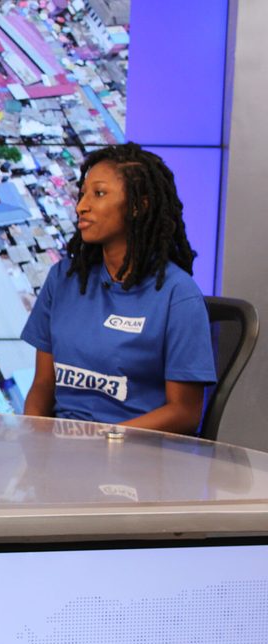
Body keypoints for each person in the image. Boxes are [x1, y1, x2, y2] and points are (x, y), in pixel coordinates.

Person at [21, 143, 216, 434]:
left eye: (98, 194)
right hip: (63, 458)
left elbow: (185, 412)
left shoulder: (178, 295)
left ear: (139, 206)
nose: (81, 206)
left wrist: (106, 441)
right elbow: (42, 386)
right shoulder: (62, 278)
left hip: (137, 460)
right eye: (83, 193)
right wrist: (35, 442)